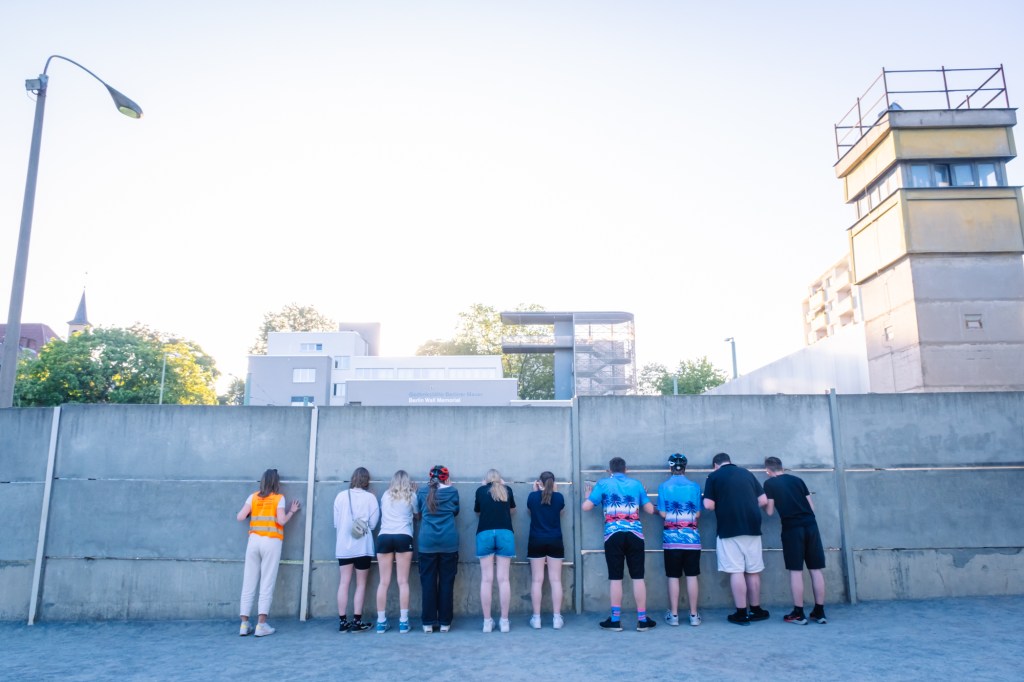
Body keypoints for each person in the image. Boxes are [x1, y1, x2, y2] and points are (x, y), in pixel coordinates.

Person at [582, 456, 658, 632]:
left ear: (610, 471)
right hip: (635, 534)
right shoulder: (636, 484)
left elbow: (586, 507)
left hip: (613, 535)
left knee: (615, 578)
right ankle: (642, 620)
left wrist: (588, 496)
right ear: (626, 469)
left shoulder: (602, 484)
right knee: (638, 577)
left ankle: (615, 620)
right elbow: (649, 509)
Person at [703, 452, 769, 626]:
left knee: (736, 570)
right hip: (753, 526)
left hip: (729, 527)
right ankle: (756, 609)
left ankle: (741, 613)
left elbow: (708, 505)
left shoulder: (714, 476)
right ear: (730, 462)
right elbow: (763, 501)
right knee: (753, 570)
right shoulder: (747, 473)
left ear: (715, 465)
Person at [236, 468, 301, 637]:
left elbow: (240, 517)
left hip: (253, 542)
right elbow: (281, 521)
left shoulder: (253, 497)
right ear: (276, 483)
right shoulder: (278, 498)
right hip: (271, 542)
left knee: (248, 582)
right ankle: (261, 625)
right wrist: (291, 512)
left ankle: (244, 624)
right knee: (267, 582)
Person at [764, 456, 827, 625]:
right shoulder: (798, 480)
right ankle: (819, 612)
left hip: (792, 529)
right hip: (811, 525)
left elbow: (770, 511)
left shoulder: (770, 484)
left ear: (768, 471)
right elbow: (812, 507)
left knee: (796, 570)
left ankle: (799, 613)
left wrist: (763, 504)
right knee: (815, 569)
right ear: (782, 467)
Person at [657, 453, 702, 627]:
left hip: (671, 539)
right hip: (692, 538)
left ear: (670, 467)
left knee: (673, 576)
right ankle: (693, 615)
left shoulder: (663, 486)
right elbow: (697, 513)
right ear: (685, 467)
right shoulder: (694, 486)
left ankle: (674, 615)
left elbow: (662, 513)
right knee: (692, 576)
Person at [334, 466, 380, 633]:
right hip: (363, 547)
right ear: (367, 480)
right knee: (361, 584)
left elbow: (335, 523)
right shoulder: (370, 498)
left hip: (343, 547)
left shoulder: (340, 497)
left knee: (344, 582)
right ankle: (357, 621)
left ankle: (342, 622)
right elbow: (373, 525)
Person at [414, 465, 460, 633]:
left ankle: (428, 623)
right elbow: (455, 511)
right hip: (448, 542)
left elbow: (418, 513)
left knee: (427, 583)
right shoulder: (453, 492)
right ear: (446, 479)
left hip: (427, 543)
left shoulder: (422, 493)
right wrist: (450, 487)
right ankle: (445, 623)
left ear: (430, 478)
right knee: (447, 582)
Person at [375, 469, 416, 634]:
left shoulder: (385, 495)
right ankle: (404, 622)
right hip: (403, 536)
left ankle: (381, 622)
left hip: (384, 536)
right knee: (403, 581)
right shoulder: (411, 496)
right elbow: (418, 515)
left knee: (383, 582)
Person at [475, 468, 516, 633]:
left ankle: (487, 622)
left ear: (486, 480)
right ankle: (504, 622)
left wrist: (484, 488)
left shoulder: (480, 491)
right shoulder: (507, 490)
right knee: (503, 579)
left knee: (486, 580)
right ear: (500, 479)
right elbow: (512, 510)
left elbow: (477, 511)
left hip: (484, 533)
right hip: (505, 532)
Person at [527, 471, 565, 630]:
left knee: (537, 580)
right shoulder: (559, 497)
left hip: (536, 539)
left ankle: (536, 618)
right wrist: (554, 491)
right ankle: (557, 618)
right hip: (555, 539)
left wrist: (536, 490)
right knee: (555, 580)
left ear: (539, 482)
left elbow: (531, 510)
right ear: (553, 482)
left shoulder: (532, 497)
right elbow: (559, 510)